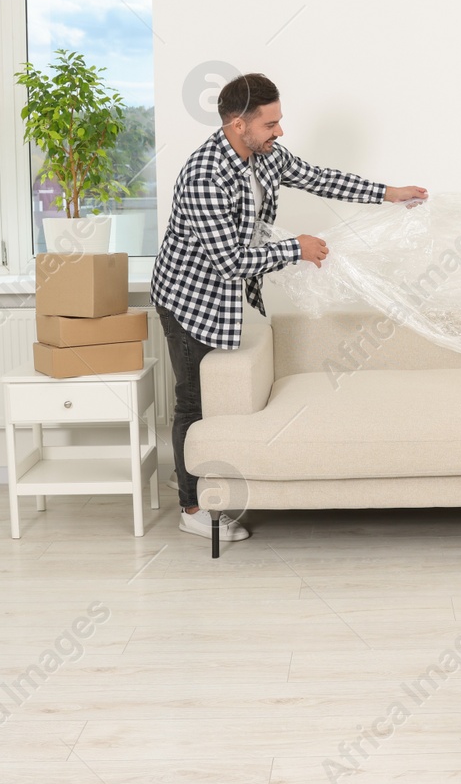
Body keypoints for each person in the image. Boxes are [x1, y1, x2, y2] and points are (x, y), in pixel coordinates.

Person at [151, 73, 428, 541]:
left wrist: (387, 193)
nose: (279, 132)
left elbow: (318, 177)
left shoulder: (264, 157)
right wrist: (296, 249)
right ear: (238, 124)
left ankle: (208, 477)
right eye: (270, 124)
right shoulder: (204, 176)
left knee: (214, 398)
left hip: (222, 293)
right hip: (189, 297)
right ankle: (192, 506)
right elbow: (230, 262)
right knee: (194, 401)